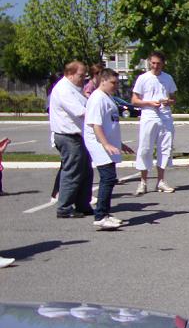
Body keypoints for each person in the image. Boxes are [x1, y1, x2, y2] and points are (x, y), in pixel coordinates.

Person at [84, 69, 134, 230]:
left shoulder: (107, 97)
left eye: (117, 83)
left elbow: (110, 123)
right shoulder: (97, 98)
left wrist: (120, 144)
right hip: (99, 144)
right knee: (108, 178)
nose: (116, 86)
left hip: (108, 144)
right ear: (103, 81)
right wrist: (105, 144)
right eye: (113, 82)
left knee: (110, 178)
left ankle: (105, 213)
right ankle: (100, 216)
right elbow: (96, 125)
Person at [49, 60, 94, 218]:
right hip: (68, 136)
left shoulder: (75, 88)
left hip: (79, 136)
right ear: (69, 74)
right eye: (81, 75)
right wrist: (99, 114)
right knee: (72, 173)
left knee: (86, 171)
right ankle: (64, 208)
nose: (83, 79)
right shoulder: (63, 89)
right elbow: (80, 111)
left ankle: (83, 204)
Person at [132, 50, 178, 194]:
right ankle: (143, 182)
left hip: (165, 116)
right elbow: (134, 100)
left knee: (165, 148)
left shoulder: (168, 78)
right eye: (153, 63)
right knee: (145, 148)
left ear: (163, 64)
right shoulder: (143, 78)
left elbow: (174, 98)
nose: (155, 66)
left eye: (158, 63)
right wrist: (149, 103)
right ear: (149, 63)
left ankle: (161, 181)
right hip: (149, 115)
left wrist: (168, 101)